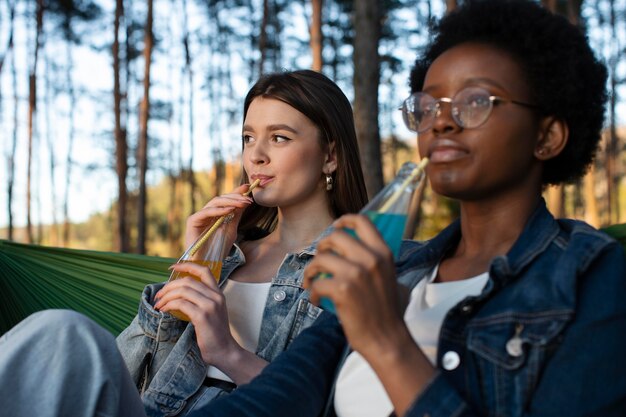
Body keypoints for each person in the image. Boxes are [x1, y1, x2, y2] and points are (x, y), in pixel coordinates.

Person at [2, 1, 625, 417]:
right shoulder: (403, 271)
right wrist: (195, 267)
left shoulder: (585, 278)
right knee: (61, 337)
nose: (442, 122)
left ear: (547, 136)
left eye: (476, 101)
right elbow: (275, 399)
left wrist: (378, 333)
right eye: (428, 105)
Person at [0, 69, 367, 417]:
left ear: (330, 156)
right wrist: (199, 258)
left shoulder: (364, 265)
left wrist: (227, 352)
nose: (256, 155)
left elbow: (336, 405)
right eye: (248, 138)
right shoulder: (227, 255)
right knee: (57, 333)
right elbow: (129, 375)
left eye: (279, 137)